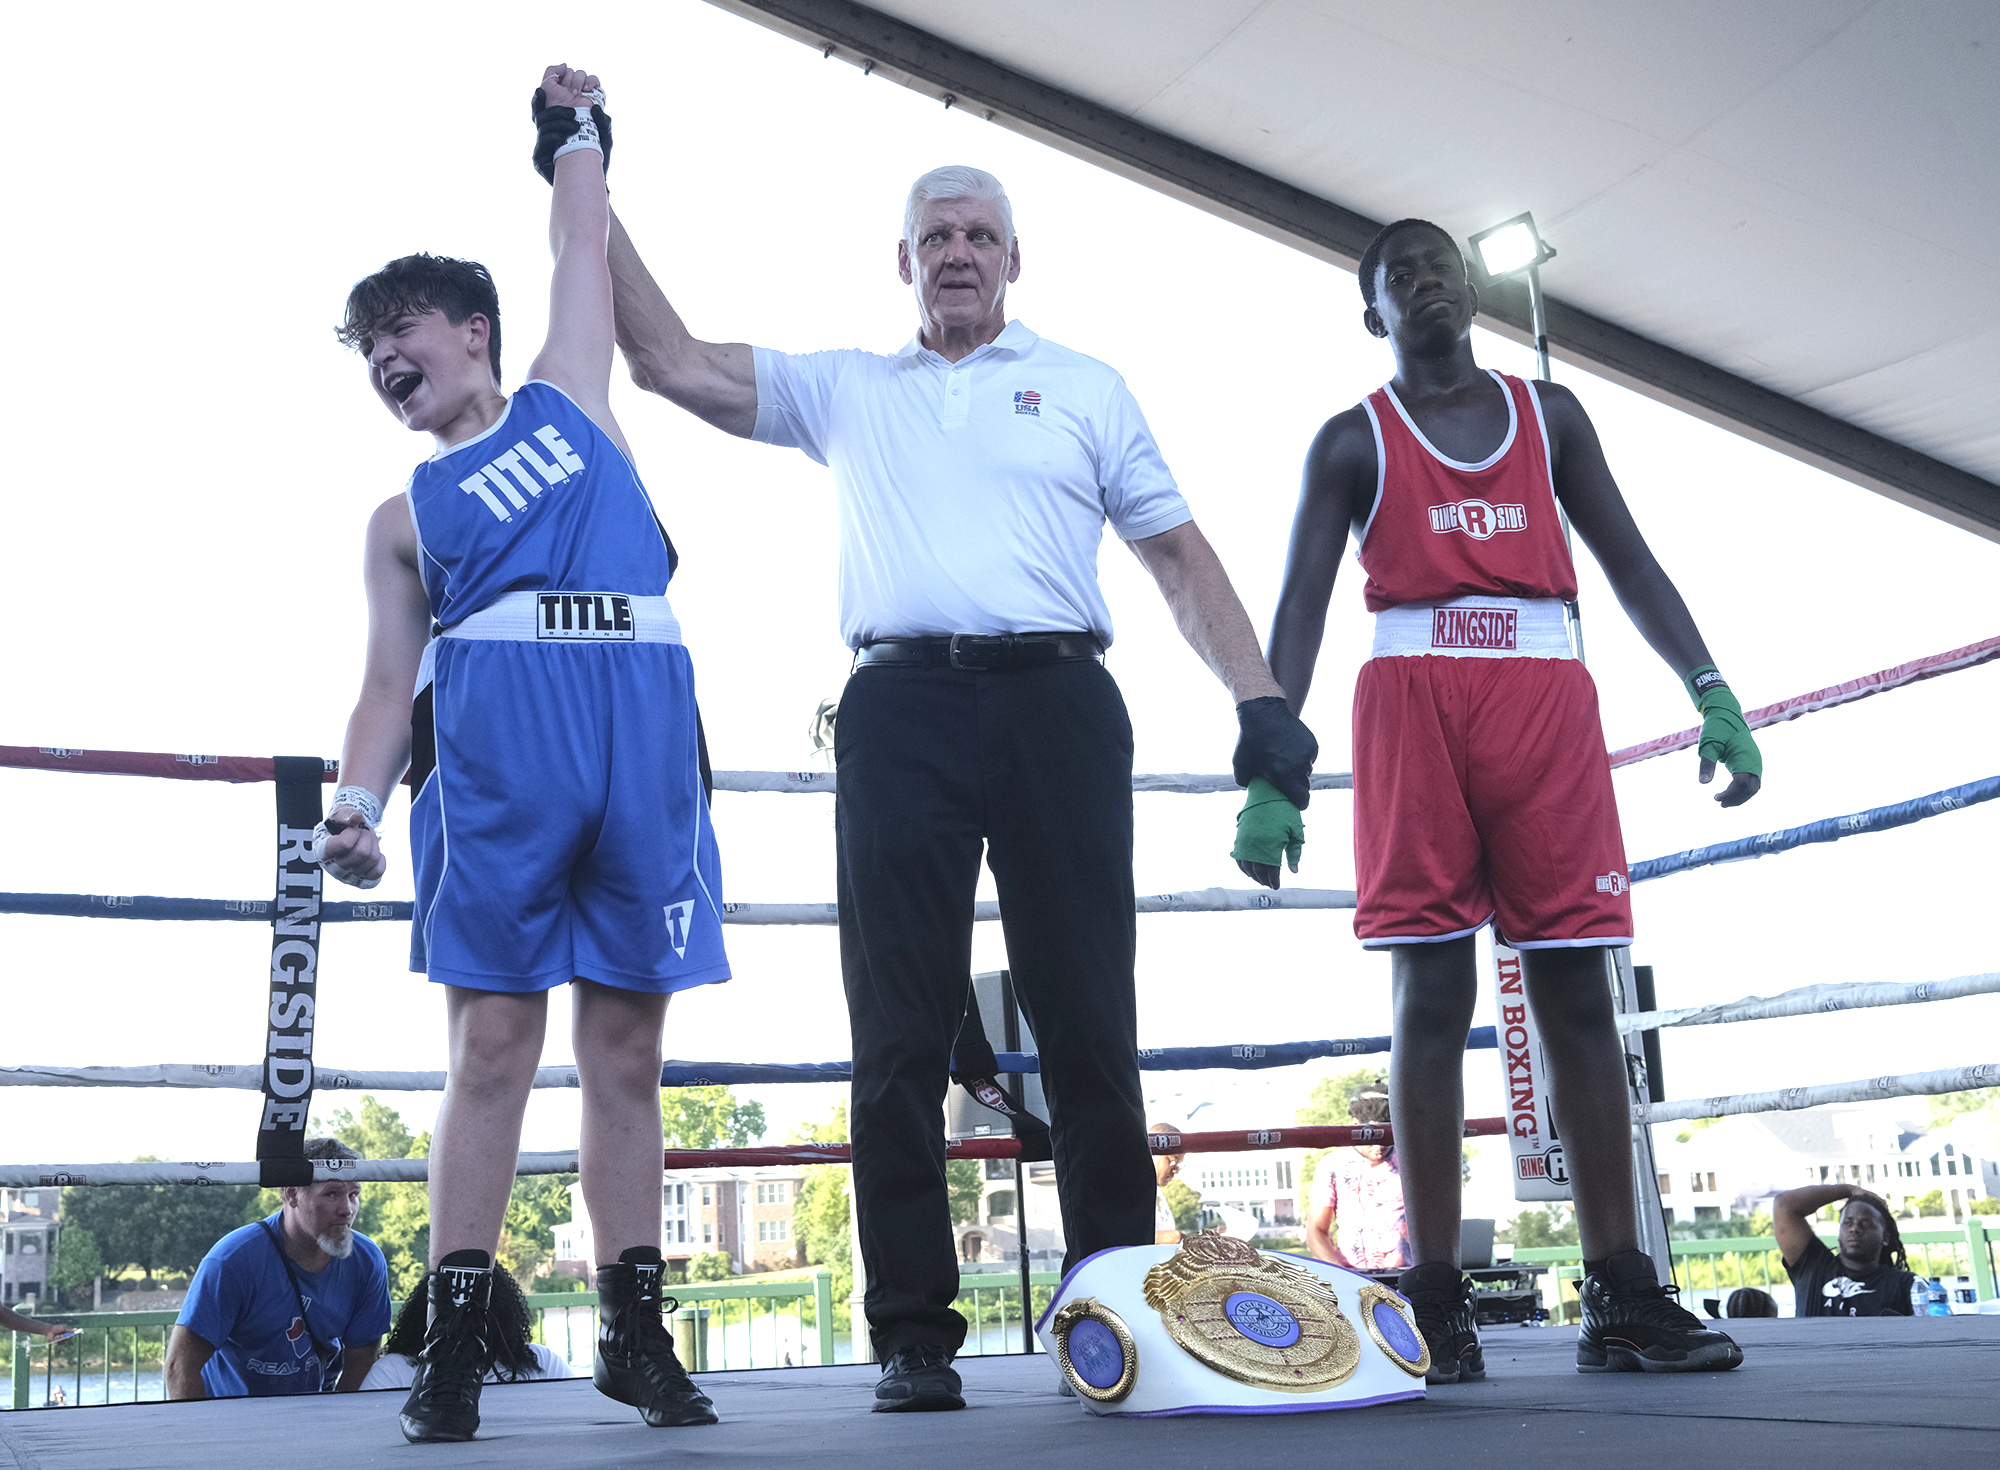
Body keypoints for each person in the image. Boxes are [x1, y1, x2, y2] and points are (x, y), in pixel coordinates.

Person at [607, 162, 1318, 1412]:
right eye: (933, 234)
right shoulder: (847, 388)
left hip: (1058, 701)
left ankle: (1115, 1315)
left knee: (1088, 1021)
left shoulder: (1086, 387)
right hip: (899, 708)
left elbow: (1174, 554)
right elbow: (667, 361)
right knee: (893, 1033)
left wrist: (1258, 700)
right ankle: (913, 1339)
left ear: (1012, 259)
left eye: (979, 234)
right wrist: (585, 179)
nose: (956, 252)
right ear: (901, 261)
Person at [1267, 218, 1763, 1382]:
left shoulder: (1552, 416)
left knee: (1577, 991)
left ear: (1472, 288)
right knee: (1428, 994)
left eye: (1442, 263)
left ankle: (1622, 1294)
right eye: (1400, 274)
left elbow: (1628, 560)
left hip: (1542, 690)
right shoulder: (1351, 440)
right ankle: (1432, 1298)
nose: (1426, 281)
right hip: (1411, 695)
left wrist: (1710, 687)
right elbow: (1294, 604)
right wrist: (1269, 766)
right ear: (1371, 311)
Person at [319, 65, 727, 1442]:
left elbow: (577, 239)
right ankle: (453, 1339)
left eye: (399, 326)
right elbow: (386, 685)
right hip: (499, 762)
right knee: (492, 1042)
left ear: (471, 332)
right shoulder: (402, 514)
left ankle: (631, 1326)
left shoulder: (570, 393)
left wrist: (575, 139)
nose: (382, 354)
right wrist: (355, 801)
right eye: (365, 342)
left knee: (628, 1050)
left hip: (643, 734)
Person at [166, 1139, 389, 1399]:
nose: (347, 1209)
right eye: (332, 1193)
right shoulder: (233, 1260)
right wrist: (203, 1436)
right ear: (292, 1193)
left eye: (354, 1195)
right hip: (231, 1420)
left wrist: (333, 1427)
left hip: (312, 1419)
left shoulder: (367, 1260)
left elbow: (362, 1360)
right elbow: (180, 1367)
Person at [361, 1266, 569, 1389]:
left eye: (475, 1309)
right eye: (452, 1309)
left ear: (500, 1312)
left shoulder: (544, 1363)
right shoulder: (395, 1372)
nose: (464, 1322)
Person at [1304, 1082, 1411, 1271]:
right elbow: (1315, 1233)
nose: (1379, 1147)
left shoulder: (1413, 1164)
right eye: (1373, 1137)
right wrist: (1342, 1275)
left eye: (1387, 1135)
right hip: (1352, 1277)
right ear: (1355, 1126)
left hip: (1408, 1278)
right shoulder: (1332, 1165)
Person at [1774, 1184, 1915, 1317]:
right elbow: (1784, 1205)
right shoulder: (1812, 1266)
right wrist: (1848, 1190)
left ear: (1885, 1238)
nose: (1854, 1229)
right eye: (1848, 1223)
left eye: (1865, 1224)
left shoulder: (1905, 1284)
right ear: (1840, 1233)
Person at [1150, 1121, 1188, 1245]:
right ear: (1152, 1154)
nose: (1176, 1170)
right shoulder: (1126, 1189)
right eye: (1172, 1160)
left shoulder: (1158, 1194)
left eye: (1179, 1164)